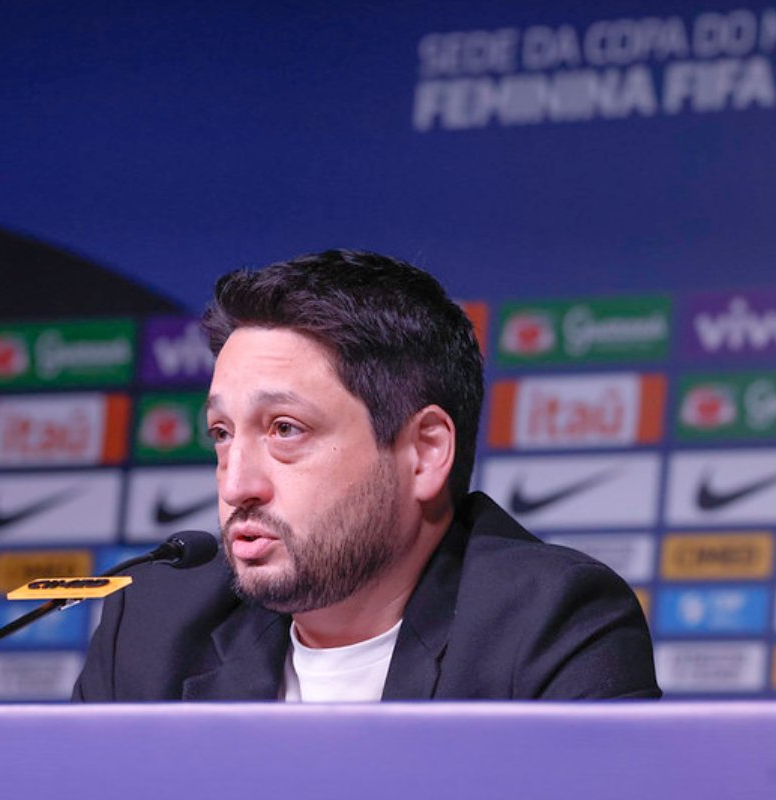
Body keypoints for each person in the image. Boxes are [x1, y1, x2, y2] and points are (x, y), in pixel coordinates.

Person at [73, 250, 660, 701]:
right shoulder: (152, 628)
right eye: (222, 435)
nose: (235, 486)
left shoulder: (550, 622)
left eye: (284, 430)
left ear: (425, 452)